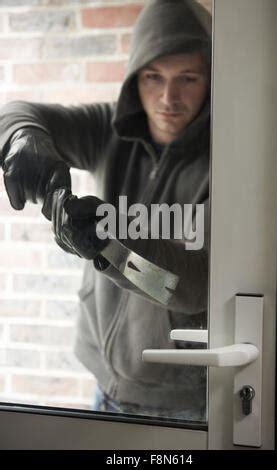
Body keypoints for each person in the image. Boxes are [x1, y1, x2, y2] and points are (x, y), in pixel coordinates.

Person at [0, 0, 211, 421]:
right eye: (154, 77)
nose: (169, 97)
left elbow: (192, 285)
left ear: (211, 79)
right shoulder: (109, 127)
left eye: (187, 78)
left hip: (181, 402)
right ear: (135, 79)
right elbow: (16, 111)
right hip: (103, 381)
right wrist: (24, 138)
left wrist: (111, 244)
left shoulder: (226, 158)